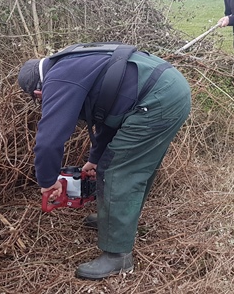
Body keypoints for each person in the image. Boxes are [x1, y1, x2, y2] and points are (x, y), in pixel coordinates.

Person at [17, 42, 191, 279]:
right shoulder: (70, 61)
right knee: (130, 164)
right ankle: (115, 222)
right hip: (168, 89)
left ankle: (118, 257)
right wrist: (95, 159)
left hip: (157, 98)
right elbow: (110, 113)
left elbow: (48, 140)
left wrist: (47, 181)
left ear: (38, 92)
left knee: (119, 170)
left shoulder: (58, 80)